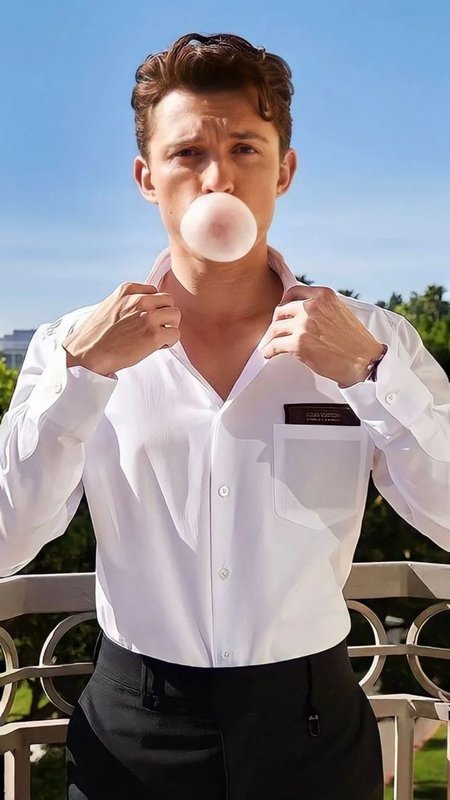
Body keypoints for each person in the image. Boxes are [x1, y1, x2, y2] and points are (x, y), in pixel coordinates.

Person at [0, 31, 449, 800]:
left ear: (285, 169)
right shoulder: (70, 346)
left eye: (245, 148)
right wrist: (82, 378)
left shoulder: (377, 340)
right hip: (133, 734)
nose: (218, 179)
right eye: (187, 153)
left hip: (314, 728)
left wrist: (372, 377)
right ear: (147, 176)